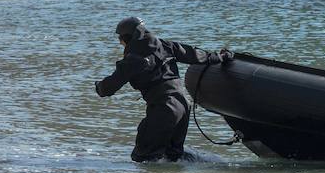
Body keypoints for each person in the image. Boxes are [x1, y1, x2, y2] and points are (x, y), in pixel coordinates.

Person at [94, 16, 229, 162]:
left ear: (127, 38)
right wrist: (221, 57)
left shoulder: (133, 59)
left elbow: (108, 88)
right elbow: (196, 55)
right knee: (173, 157)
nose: (120, 43)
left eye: (120, 39)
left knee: (143, 157)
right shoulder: (165, 45)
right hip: (183, 106)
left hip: (164, 108)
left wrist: (98, 87)